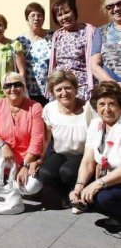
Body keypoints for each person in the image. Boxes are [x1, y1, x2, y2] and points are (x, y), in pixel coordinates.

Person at [39, 70, 95, 209]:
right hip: (61, 153)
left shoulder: (88, 109)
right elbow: (47, 138)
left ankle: (78, 194)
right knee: (45, 173)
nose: (64, 93)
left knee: (67, 171)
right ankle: (64, 194)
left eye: (68, 88)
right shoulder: (49, 109)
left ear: (76, 89)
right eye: (58, 90)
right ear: (53, 92)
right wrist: (40, 158)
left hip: (83, 155)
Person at [69, 81, 121, 227]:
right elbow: (87, 160)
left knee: (102, 197)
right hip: (109, 175)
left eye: (112, 103)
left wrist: (97, 184)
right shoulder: (95, 124)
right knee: (77, 181)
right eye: (101, 104)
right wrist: (79, 186)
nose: (107, 109)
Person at [0, 72, 43, 195]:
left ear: (24, 87)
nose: (12, 89)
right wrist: (3, 145)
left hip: (27, 158)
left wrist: (25, 166)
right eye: (8, 86)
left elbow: (37, 140)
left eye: (17, 85)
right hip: (5, 157)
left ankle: (16, 183)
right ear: (3, 89)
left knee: (32, 187)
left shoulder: (35, 107)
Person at [48, 0, 95, 100]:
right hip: (60, 85)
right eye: (59, 15)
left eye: (67, 12)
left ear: (74, 12)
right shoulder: (57, 34)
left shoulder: (88, 31)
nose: (64, 17)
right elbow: (54, 64)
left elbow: (94, 60)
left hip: (81, 85)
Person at [16, 3, 53, 106]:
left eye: (39, 15)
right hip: (28, 90)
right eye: (32, 15)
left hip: (49, 89)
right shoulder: (20, 41)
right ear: (27, 19)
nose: (36, 19)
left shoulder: (52, 37)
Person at [91, 0, 121, 83]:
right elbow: (94, 65)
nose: (116, 9)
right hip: (112, 92)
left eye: (119, 3)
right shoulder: (101, 32)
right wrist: (115, 85)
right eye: (110, 6)